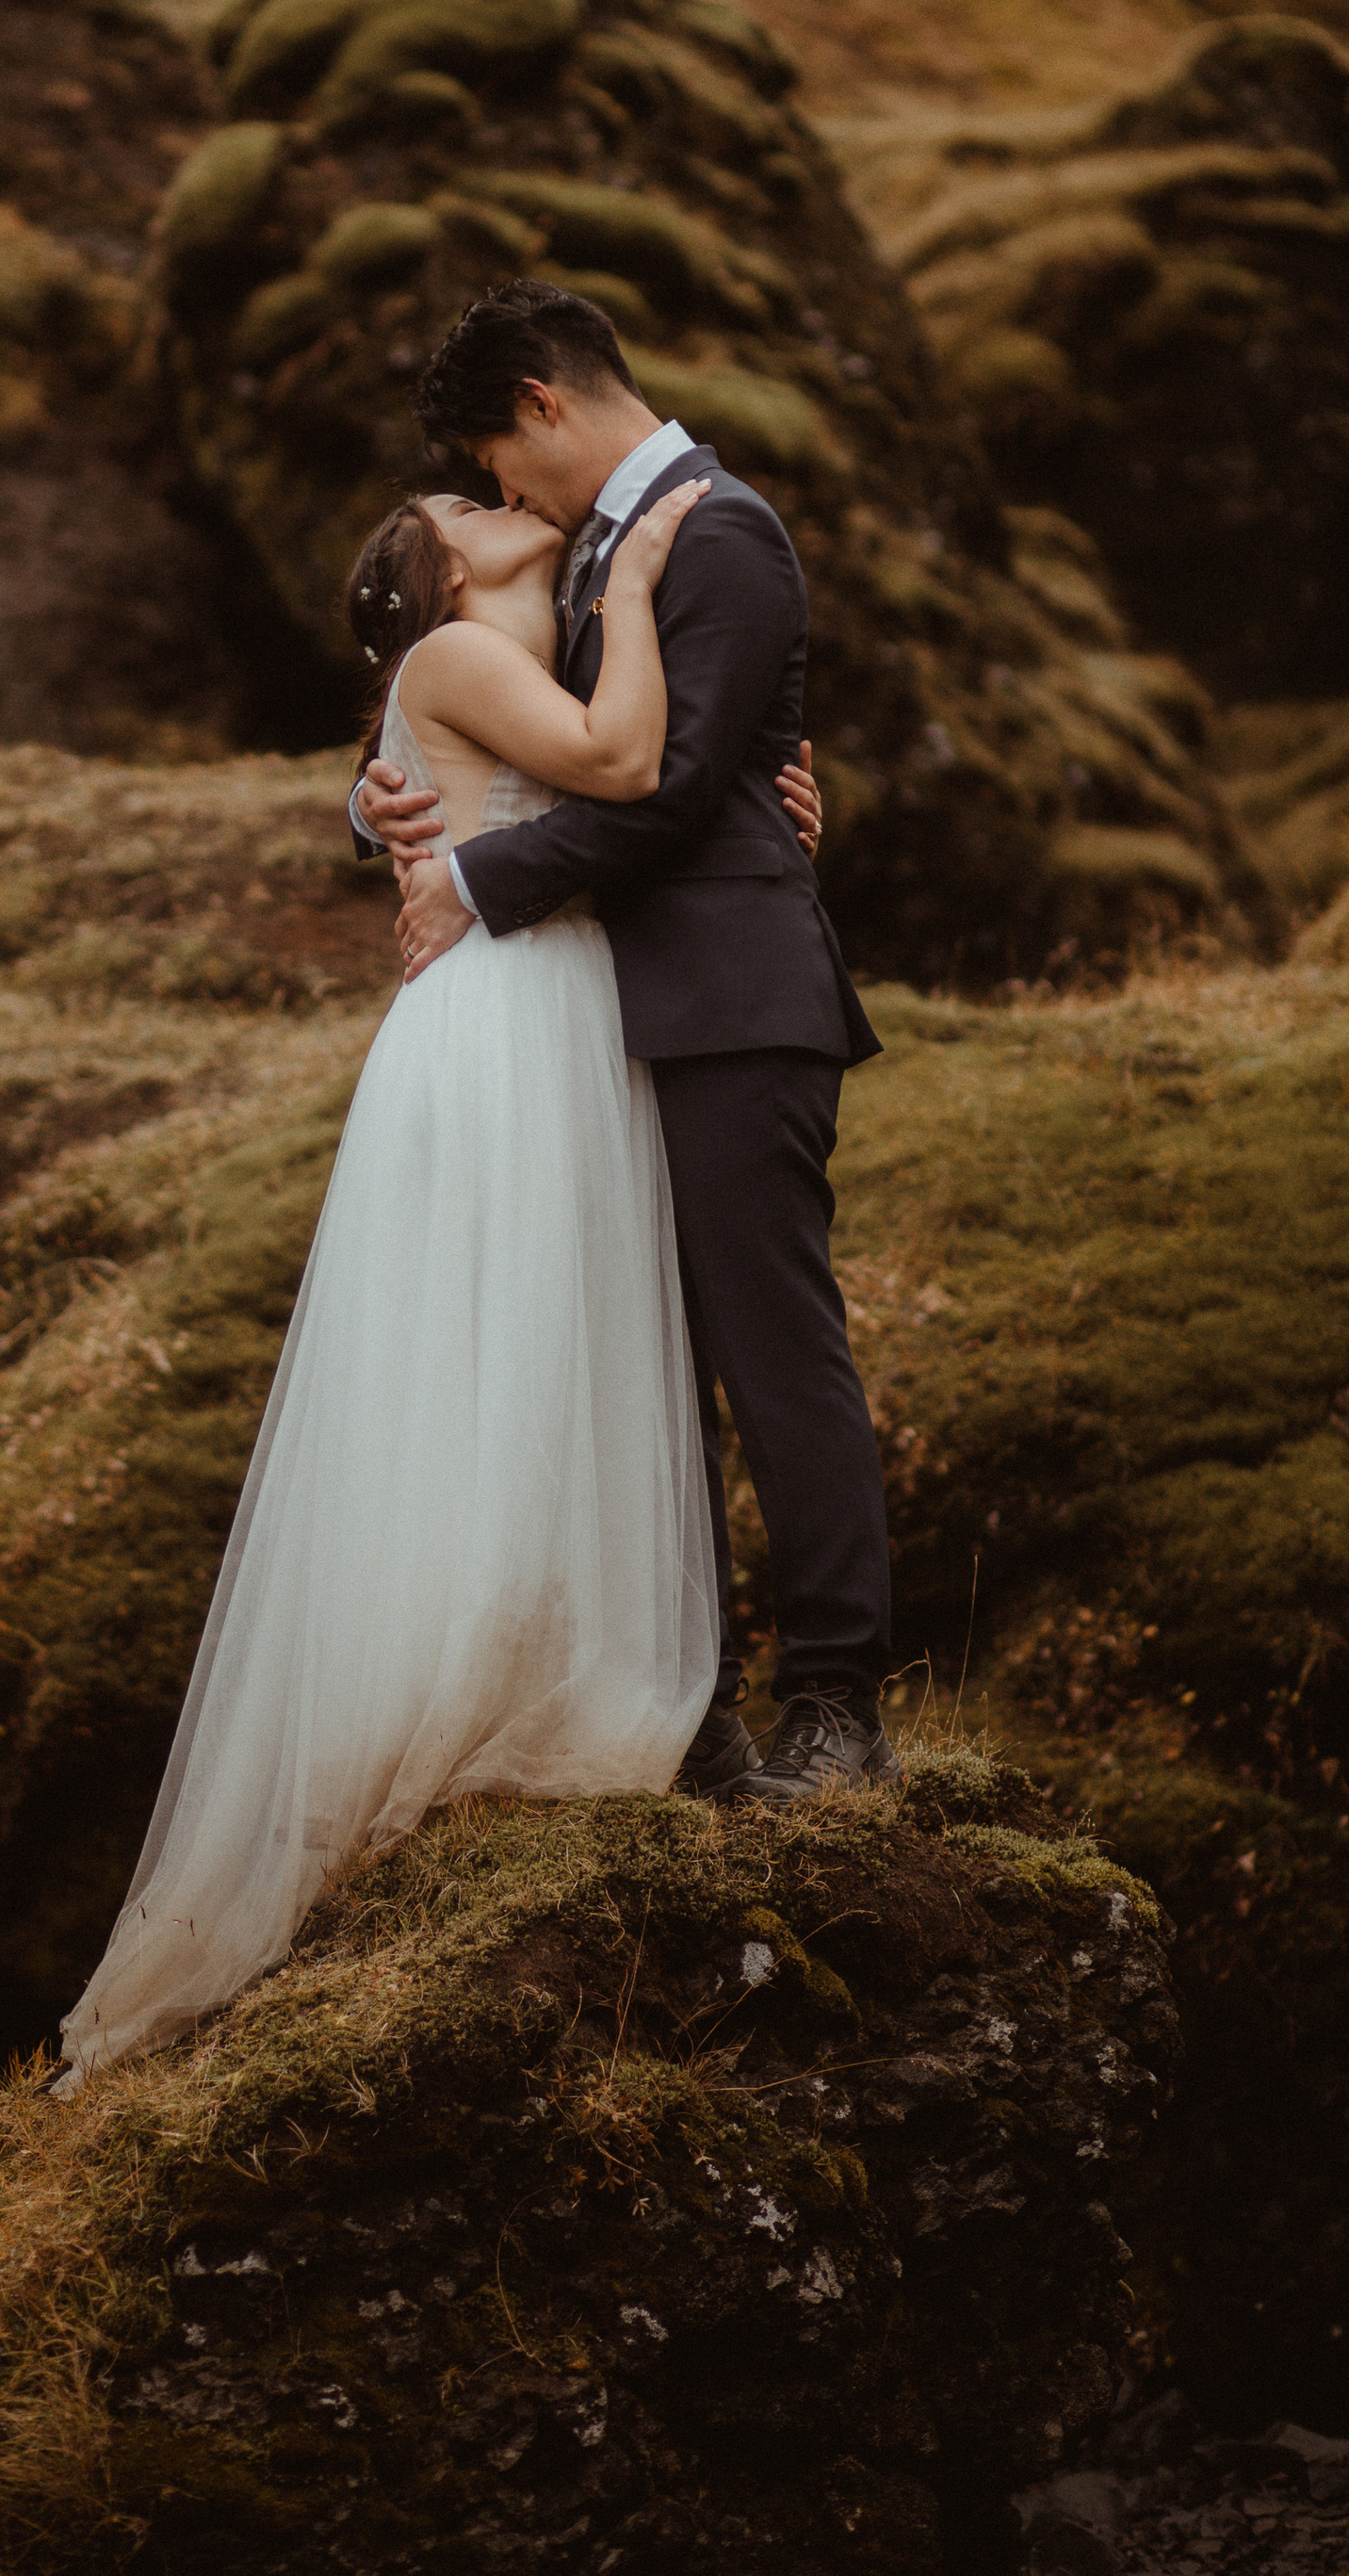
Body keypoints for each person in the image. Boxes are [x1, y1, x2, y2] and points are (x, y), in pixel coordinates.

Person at [59, 468, 721, 2079]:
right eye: (458, 508)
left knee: (530, 1330)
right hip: (505, 1022)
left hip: (534, 1007)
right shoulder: (464, 661)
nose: (489, 499)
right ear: (435, 582)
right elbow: (617, 764)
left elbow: (587, 778)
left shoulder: (497, 660)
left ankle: (510, 1657)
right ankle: (478, 1684)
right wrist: (640, 598)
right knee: (505, 1331)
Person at [359, 279, 897, 1809]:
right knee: (639, 1367)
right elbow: (471, 721)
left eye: (495, 463)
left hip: (727, 1007)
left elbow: (656, 796)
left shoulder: (717, 530)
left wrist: (470, 882)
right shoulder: (588, 548)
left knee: (771, 1353)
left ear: (541, 402)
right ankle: (684, 1704)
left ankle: (840, 1710)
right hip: (603, 1022)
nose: (494, 498)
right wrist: (381, 808)